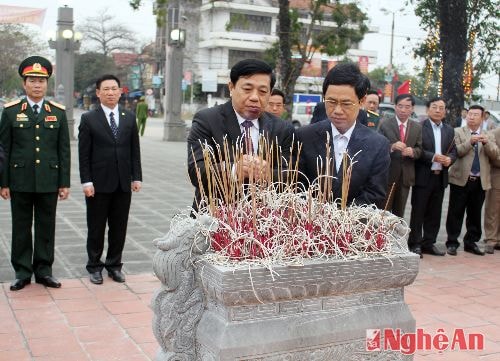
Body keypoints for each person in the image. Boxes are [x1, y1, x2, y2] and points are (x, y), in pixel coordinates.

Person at [0, 56, 70, 291]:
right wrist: (3, 182)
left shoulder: (57, 112)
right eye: (32, 80)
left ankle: (44, 270)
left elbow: (64, 151)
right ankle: (22, 271)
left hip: (49, 180)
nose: (37, 85)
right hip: (19, 180)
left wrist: (64, 182)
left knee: (46, 226)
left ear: (47, 84)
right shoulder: (10, 112)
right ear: (24, 84)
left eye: (41, 81)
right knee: (20, 227)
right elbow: (4, 149)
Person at [187, 59, 295, 211]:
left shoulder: (282, 128)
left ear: (270, 93)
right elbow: (196, 170)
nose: (255, 97)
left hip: (265, 219)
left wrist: (266, 173)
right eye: (247, 89)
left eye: (263, 92)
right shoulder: (207, 120)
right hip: (214, 217)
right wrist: (234, 170)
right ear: (231, 87)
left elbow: (290, 174)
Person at [296, 62, 390, 207]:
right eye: (331, 102)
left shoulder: (378, 144)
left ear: (361, 101)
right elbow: (297, 185)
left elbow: (374, 195)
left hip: (353, 225)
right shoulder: (304, 136)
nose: (337, 110)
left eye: (346, 103)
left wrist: (341, 219)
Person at [78, 74, 142, 285]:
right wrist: (86, 181)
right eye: (106, 89)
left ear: (120, 91)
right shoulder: (89, 118)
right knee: (96, 227)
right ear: (98, 93)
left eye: (114, 88)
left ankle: (114, 265)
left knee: (119, 227)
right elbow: (84, 154)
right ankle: (94, 266)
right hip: (98, 184)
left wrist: (137, 177)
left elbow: (134, 150)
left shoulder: (128, 116)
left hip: (123, 182)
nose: (111, 92)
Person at [445, 105, 499, 256]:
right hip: (461, 179)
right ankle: (452, 242)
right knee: (455, 212)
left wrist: (486, 143)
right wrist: (471, 141)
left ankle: (471, 242)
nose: (472, 117)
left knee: (475, 213)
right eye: (470, 114)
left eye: (476, 115)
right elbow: (457, 152)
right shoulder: (457, 132)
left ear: (482, 118)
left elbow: (495, 155)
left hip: (480, 180)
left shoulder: (488, 135)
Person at [407, 97, 457, 258]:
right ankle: (414, 243)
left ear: (445, 111)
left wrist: (450, 159)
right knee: (418, 212)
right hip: (423, 176)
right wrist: (432, 157)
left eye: (441, 108)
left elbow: (453, 150)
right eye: (434, 107)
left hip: (440, 176)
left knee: (435, 213)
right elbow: (417, 150)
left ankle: (429, 242)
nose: (438, 110)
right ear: (428, 109)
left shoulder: (449, 130)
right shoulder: (419, 127)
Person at [378, 93, 422, 218]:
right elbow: (378, 147)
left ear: (412, 109)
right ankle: (381, 237)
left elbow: (421, 149)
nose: (403, 110)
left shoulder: (417, 127)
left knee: (399, 213)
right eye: (400, 106)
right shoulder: (385, 124)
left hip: (405, 177)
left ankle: (397, 237)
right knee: (383, 211)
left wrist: (413, 152)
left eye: (407, 107)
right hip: (388, 175)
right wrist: (392, 147)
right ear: (395, 106)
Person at [484, 127, 500, 253]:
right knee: (493, 209)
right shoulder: (493, 133)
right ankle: (491, 239)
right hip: (497, 176)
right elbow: (495, 156)